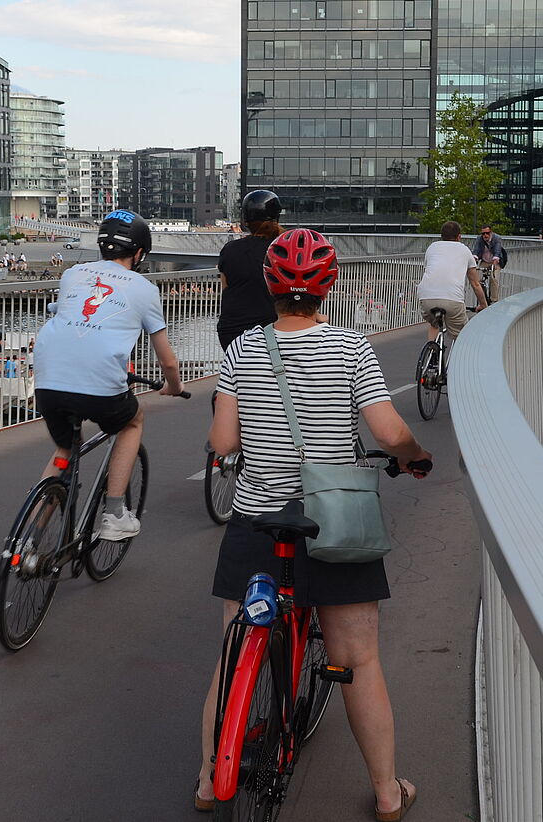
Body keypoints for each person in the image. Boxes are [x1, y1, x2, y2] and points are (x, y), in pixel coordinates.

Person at [195, 227, 430, 820]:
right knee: (358, 657)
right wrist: (415, 457)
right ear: (328, 286)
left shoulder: (242, 349)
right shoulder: (351, 347)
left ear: (270, 285)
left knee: (231, 653)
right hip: (333, 525)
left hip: (257, 520)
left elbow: (222, 443)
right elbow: (387, 433)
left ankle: (206, 779)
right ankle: (385, 791)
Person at [33, 210, 185, 541]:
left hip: (47, 378)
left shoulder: (73, 274)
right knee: (132, 422)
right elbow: (168, 361)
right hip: (99, 384)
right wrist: (173, 387)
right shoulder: (144, 289)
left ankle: (27, 540)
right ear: (140, 252)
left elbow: (69, 317)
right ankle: (115, 513)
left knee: (64, 450)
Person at [215, 189, 284, 351]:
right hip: (270, 331)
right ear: (277, 217)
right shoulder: (282, 249)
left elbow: (226, 289)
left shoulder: (230, 250)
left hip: (231, 333)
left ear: (246, 221)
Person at [415, 220, 488, 342]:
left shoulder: (432, 247)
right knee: (461, 335)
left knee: (434, 324)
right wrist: (483, 305)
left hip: (426, 298)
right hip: (452, 301)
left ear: (441, 236)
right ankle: (457, 359)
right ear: (459, 236)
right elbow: (475, 284)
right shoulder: (465, 251)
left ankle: (431, 353)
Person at [474, 226, 507, 302]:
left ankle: (494, 300)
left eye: (487, 233)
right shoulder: (479, 239)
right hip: (485, 261)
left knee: (494, 278)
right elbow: (476, 250)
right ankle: (482, 300)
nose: (485, 235)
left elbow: (497, 251)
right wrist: (474, 259)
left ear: (491, 233)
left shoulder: (496, 238)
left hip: (495, 261)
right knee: (477, 279)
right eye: (483, 233)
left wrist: (495, 262)